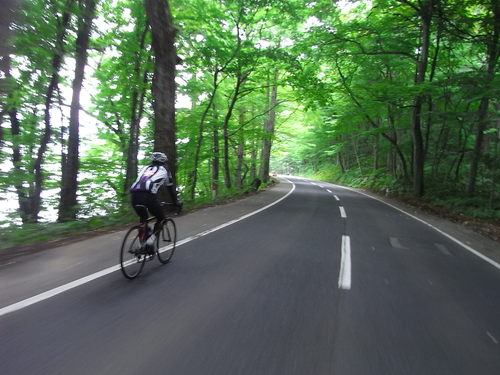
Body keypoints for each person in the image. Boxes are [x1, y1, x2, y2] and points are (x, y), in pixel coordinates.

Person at [130, 151, 179, 252]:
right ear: (164, 162)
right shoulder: (165, 170)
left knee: (143, 219)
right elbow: (170, 189)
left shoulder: (145, 168)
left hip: (134, 195)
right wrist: (175, 202)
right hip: (148, 196)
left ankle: (141, 244)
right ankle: (150, 242)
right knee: (161, 218)